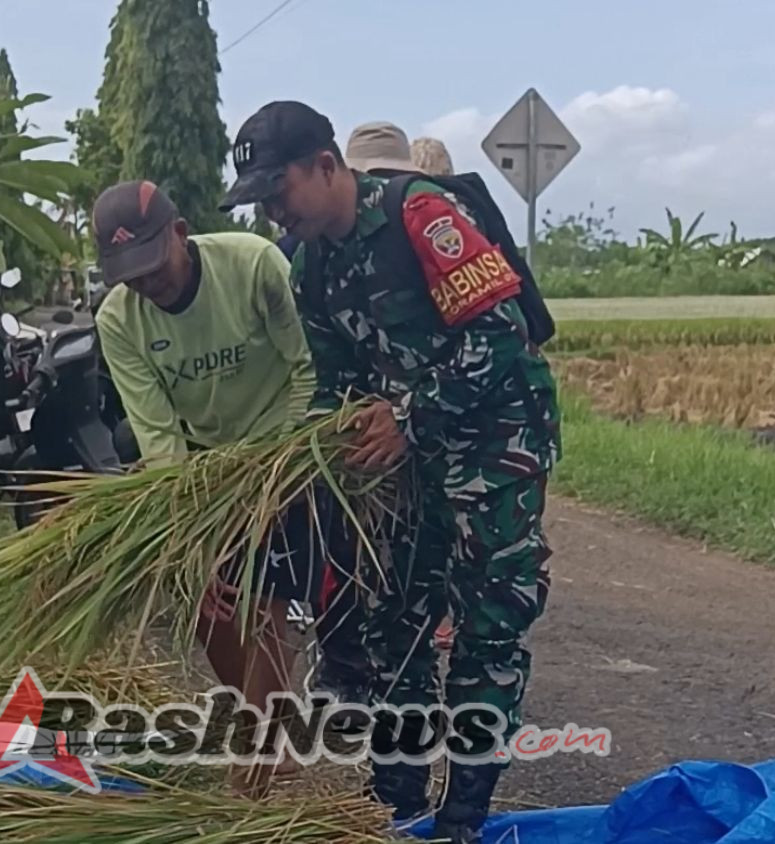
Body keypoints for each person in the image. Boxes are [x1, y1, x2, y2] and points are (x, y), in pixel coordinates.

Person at [220, 101, 561, 842]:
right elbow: (333, 382)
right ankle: (396, 805)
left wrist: (408, 420)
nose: (276, 211)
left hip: (494, 442)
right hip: (409, 462)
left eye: (282, 192)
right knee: (392, 626)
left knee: (486, 625)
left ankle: (464, 816)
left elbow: (498, 336)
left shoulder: (420, 214)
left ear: (326, 166)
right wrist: (296, 457)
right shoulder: (308, 264)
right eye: (263, 201)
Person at [90, 179, 367, 793]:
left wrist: (278, 462)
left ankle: (261, 752)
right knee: (207, 598)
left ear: (181, 234)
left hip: (286, 449)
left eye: (152, 264)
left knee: (265, 596)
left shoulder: (253, 264)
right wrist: (192, 534)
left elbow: (304, 365)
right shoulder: (119, 319)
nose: (146, 284)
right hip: (208, 467)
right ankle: (265, 717)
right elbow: (158, 434)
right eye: (128, 274)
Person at [344, 121, 458, 652]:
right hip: (409, 442)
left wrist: (407, 417)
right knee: (400, 598)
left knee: (487, 602)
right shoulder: (328, 251)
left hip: (473, 431)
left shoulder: (432, 220)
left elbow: (500, 341)